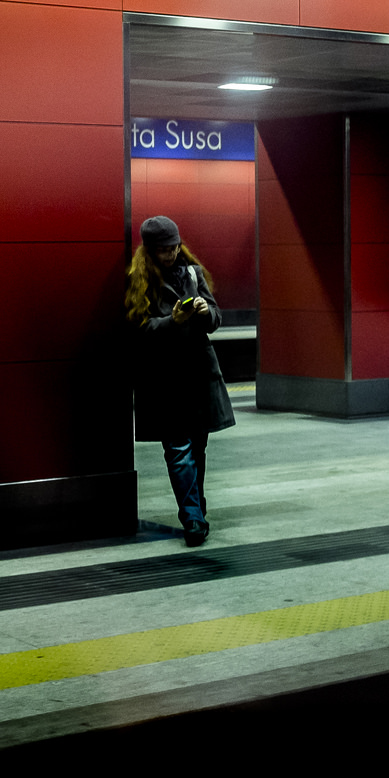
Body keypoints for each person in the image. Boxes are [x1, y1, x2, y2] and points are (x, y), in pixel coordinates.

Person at [125, 215, 235, 546]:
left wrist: (204, 311)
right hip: (164, 378)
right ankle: (192, 519)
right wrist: (171, 322)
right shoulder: (139, 280)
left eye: (175, 248)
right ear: (150, 250)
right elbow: (138, 330)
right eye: (164, 250)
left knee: (197, 447)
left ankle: (196, 510)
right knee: (178, 449)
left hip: (198, 372)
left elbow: (215, 318)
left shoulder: (192, 273)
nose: (171, 255)